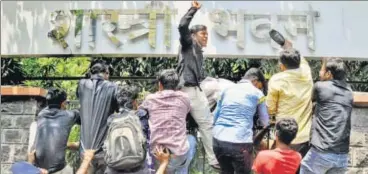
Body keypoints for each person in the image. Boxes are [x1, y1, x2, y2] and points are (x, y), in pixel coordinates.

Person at [176, 0, 219, 168]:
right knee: (207, 124)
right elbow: (182, 26)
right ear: (193, 35)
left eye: (207, 34)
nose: (206, 37)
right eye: (203, 34)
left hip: (192, 89)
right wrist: (193, 9)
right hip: (189, 90)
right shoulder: (189, 44)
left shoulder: (197, 51)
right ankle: (214, 160)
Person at [300, 58, 353, 174]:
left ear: (329, 74)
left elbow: (312, 99)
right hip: (342, 156)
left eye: (322, 71)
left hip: (321, 152)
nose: (320, 73)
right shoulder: (349, 92)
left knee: (305, 169)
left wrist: (324, 64)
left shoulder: (320, 87)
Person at [212, 68, 270, 174]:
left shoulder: (226, 90)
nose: (259, 89)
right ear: (255, 81)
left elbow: (214, 117)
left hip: (218, 140)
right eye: (260, 86)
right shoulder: (259, 94)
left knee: (226, 171)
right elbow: (265, 121)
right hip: (240, 142)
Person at [139, 69, 195, 173]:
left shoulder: (150, 99)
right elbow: (187, 111)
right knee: (191, 139)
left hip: (158, 154)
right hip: (178, 154)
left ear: (160, 84)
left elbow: (140, 110)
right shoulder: (184, 98)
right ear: (177, 86)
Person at [266, 40, 313, 159]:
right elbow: (301, 60)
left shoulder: (277, 80)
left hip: (284, 135)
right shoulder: (306, 73)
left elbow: (270, 108)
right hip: (304, 136)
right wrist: (289, 47)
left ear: (282, 66)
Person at [77, 62, 119, 174]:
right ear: (106, 73)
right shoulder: (112, 87)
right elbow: (118, 109)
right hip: (102, 149)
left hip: (84, 149)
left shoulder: (81, 84)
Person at [31, 88, 80, 174]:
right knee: (70, 169)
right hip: (58, 169)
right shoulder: (69, 115)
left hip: (38, 168)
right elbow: (85, 117)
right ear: (63, 103)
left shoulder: (41, 115)